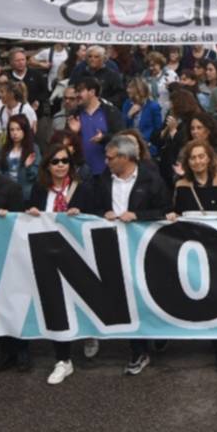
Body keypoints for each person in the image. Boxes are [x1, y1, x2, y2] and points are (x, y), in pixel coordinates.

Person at [70, 135, 169, 376]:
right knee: (123, 298)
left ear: (125, 158)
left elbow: (165, 210)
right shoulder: (101, 181)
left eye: (110, 157)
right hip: (111, 247)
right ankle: (138, 350)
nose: (106, 161)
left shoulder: (152, 180)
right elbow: (89, 207)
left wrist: (138, 216)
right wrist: (97, 213)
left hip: (143, 249)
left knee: (144, 295)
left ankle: (155, 336)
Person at [165, 139, 217, 371]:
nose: (197, 161)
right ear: (187, 162)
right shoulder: (181, 185)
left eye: (201, 156)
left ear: (210, 158)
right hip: (194, 254)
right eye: (193, 158)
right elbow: (175, 210)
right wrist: (172, 215)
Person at [24, 145, 86, 383]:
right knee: (56, 305)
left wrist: (81, 214)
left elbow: (97, 216)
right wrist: (30, 212)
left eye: (65, 161)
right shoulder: (40, 190)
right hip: (48, 255)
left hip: (78, 253)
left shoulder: (83, 188)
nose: (61, 165)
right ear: (47, 165)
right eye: (55, 161)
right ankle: (63, 359)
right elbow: (27, 214)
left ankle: (91, 335)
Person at [66, 78, 126, 177]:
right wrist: (73, 132)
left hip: (107, 172)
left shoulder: (111, 112)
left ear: (92, 92)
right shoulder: (75, 114)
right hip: (81, 173)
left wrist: (104, 138)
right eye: (76, 91)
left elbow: (122, 138)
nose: (76, 95)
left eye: (80, 91)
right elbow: (66, 142)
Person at [0, 114, 40, 202]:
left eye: (18, 129)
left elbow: (35, 175)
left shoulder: (33, 148)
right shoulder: (4, 149)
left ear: (25, 130)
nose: (15, 133)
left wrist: (27, 167)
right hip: (7, 194)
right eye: (12, 130)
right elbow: (0, 171)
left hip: (26, 195)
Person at [124, 78, 162, 145]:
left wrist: (150, 142)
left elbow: (158, 129)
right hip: (130, 143)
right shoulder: (127, 103)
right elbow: (122, 126)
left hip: (147, 144)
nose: (127, 90)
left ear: (141, 93)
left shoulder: (153, 107)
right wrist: (129, 115)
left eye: (134, 95)